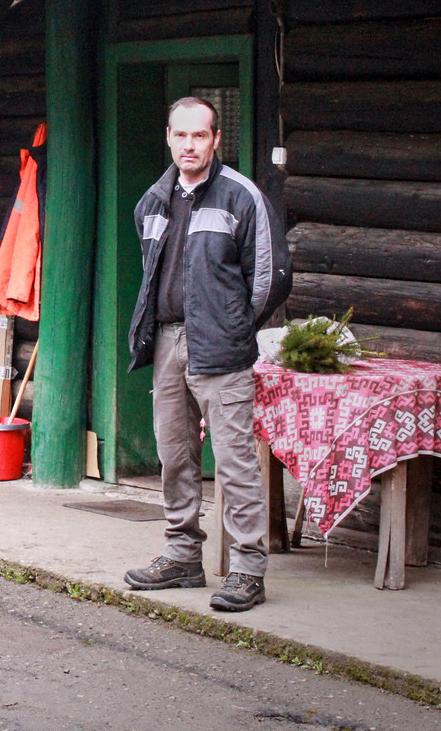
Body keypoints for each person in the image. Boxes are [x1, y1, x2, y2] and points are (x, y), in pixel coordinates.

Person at [123, 97, 290, 612]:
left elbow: (268, 279)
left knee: (236, 462)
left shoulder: (242, 196)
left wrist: (234, 328)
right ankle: (181, 557)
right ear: (168, 138)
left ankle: (246, 569)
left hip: (222, 347)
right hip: (169, 340)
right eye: (181, 135)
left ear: (216, 139)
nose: (189, 145)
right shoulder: (153, 200)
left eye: (200, 136)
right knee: (174, 456)